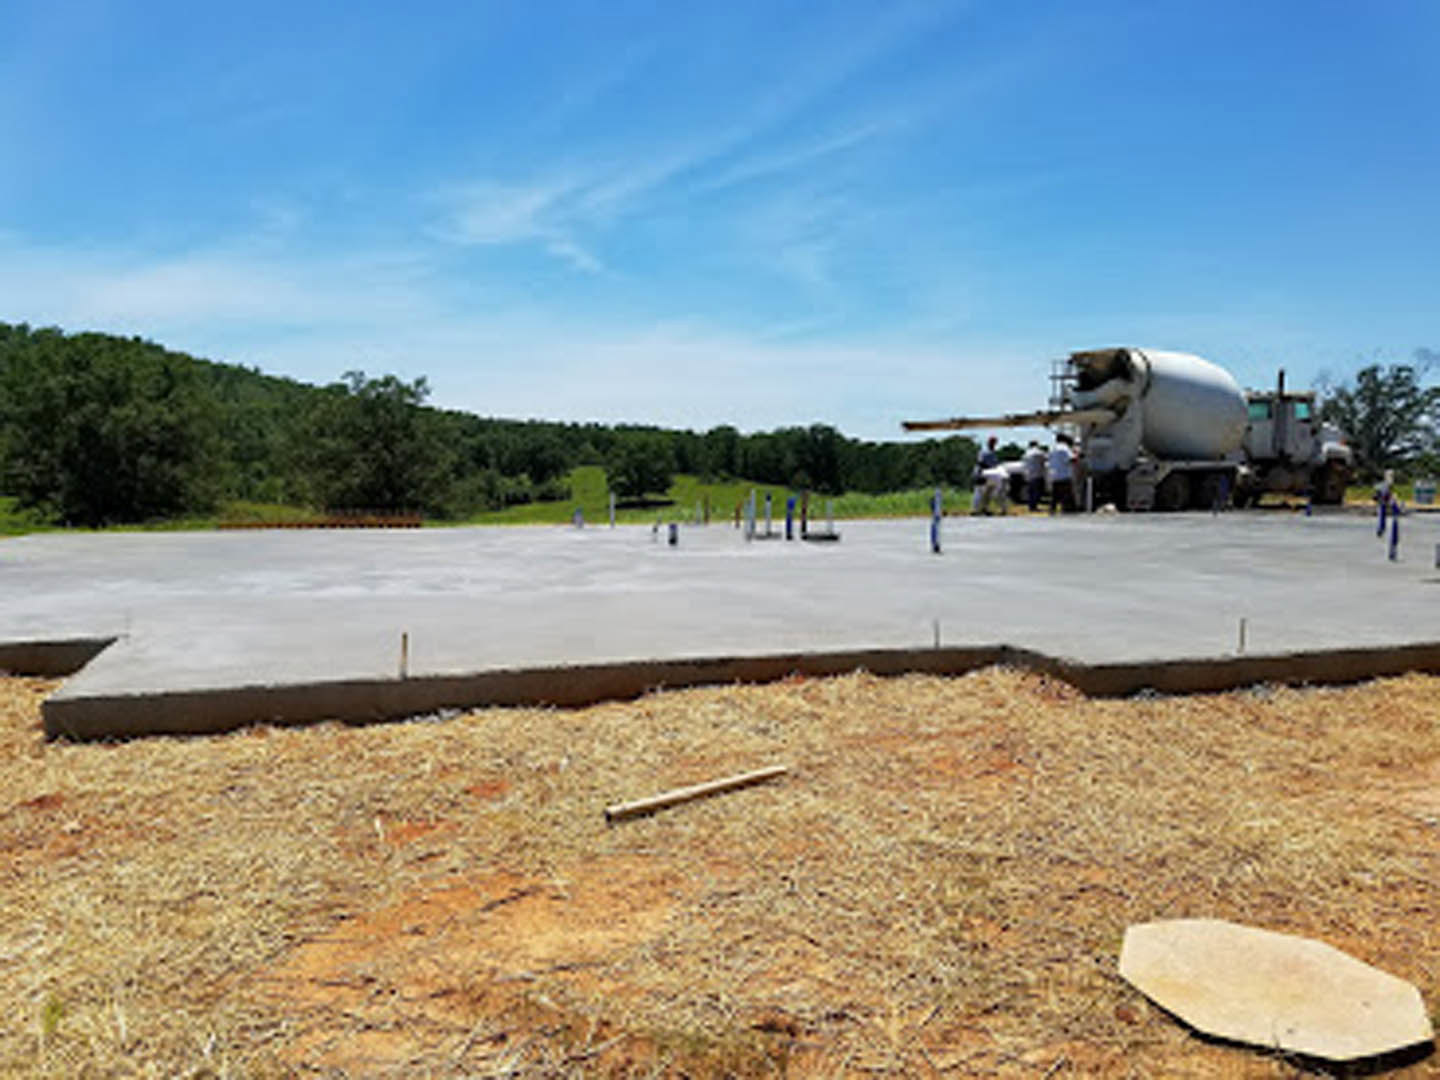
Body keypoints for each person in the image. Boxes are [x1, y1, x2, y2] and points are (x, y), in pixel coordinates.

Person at [971, 436, 1001, 514]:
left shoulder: (994, 452)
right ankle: (975, 510)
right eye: (992, 442)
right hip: (982, 473)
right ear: (988, 443)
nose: (993, 444)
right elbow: (980, 462)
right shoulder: (984, 452)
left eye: (994, 443)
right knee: (979, 492)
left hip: (991, 474)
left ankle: (985, 508)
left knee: (988, 492)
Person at [1047, 434, 1076, 514]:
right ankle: (1067, 510)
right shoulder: (1065, 448)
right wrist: (1077, 454)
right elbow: (1072, 459)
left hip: (1054, 475)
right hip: (1064, 475)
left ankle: (1052, 510)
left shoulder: (1052, 448)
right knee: (1066, 495)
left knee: (1055, 495)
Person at [1022, 440, 1046, 512]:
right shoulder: (1039, 452)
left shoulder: (1026, 453)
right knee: (1037, 491)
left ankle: (1031, 506)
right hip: (1037, 474)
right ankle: (1034, 507)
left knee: (1031, 492)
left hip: (1029, 474)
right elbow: (1044, 459)